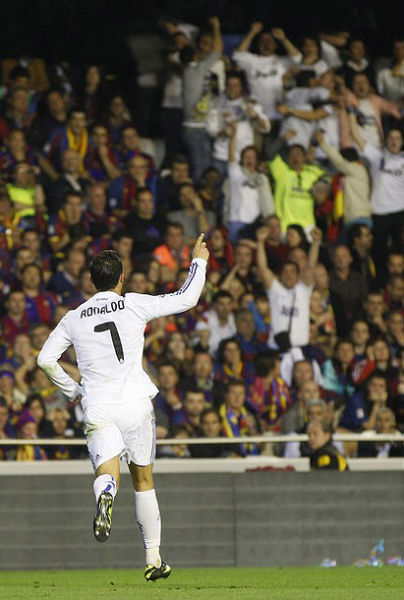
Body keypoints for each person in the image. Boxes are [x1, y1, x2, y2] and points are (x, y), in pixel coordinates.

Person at [37, 233, 209, 581]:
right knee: (143, 480)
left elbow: (45, 359)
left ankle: (105, 494)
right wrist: (199, 260)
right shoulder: (133, 303)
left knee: (107, 473)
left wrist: (73, 391)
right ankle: (153, 559)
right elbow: (187, 298)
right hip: (135, 403)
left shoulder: (74, 317)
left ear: (91, 282)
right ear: (121, 278)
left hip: (98, 405)